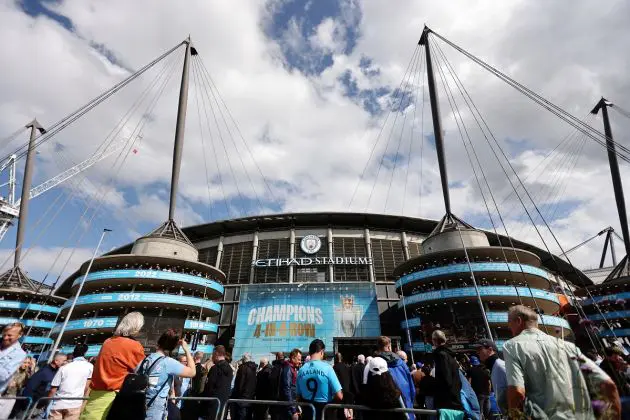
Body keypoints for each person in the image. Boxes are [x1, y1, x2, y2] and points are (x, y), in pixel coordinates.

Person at [503, 305, 621, 418]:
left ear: (518, 321)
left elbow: (517, 392)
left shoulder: (512, 346)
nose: (509, 328)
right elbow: (608, 385)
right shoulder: (569, 347)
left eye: (509, 323)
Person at [81, 311, 145, 420]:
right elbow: (142, 372)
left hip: (95, 395)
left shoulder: (107, 341)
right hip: (115, 398)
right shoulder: (135, 346)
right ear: (137, 327)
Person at [136, 330, 195, 420]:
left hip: (140, 403)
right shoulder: (168, 362)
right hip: (155, 407)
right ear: (173, 347)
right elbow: (192, 372)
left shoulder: (146, 359)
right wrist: (187, 350)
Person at [365, 336, 415, 417]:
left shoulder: (374, 364)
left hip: (384, 407)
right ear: (389, 346)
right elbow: (411, 386)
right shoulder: (401, 363)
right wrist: (410, 404)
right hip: (406, 403)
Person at [296, 340, 342, 420]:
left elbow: (298, 396)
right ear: (322, 352)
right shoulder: (327, 368)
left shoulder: (301, 370)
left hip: (308, 413)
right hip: (324, 413)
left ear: (310, 352)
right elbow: (339, 396)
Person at [47, 344, 93, 420]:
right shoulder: (89, 366)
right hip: (75, 403)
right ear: (85, 353)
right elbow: (86, 387)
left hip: (58, 403)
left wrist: (47, 404)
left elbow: (53, 389)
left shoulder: (64, 367)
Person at [17, 353, 67, 418]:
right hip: (31, 406)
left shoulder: (58, 372)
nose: (65, 363)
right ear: (56, 361)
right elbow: (30, 388)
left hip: (41, 407)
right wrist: (28, 404)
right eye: (64, 361)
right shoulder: (43, 372)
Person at [430, 330, 463, 411]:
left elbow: (446, 378)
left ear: (435, 340)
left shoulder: (440, 355)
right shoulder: (450, 354)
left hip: (447, 401)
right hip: (455, 396)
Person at [0, 322, 27, 418]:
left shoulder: (20, 354)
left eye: (9, 335)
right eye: (4, 334)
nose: (5, 338)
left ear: (19, 335)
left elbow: (4, 376)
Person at [474, 338, 507, 415]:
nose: (477, 352)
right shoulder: (493, 367)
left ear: (490, 349)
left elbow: (516, 389)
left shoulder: (500, 366)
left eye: (480, 349)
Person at [201, 345, 233, 420]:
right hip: (224, 402)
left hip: (213, 402)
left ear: (217, 354)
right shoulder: (229, 368)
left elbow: (210, 386)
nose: (212, 357)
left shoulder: (215, 368)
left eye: (213, 354)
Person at [230, 354, 257, 420]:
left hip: (242, 397)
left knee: (241, 416)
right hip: (250, 397)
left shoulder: (243, 368)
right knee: (248, 416)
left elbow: (240, 384)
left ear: (243, 360)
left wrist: (237, 394)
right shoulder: (253, 368)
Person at [181, 351, 207, 420]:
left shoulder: (192, 369)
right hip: (199, 396)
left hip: (191, 394)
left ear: (195, 357)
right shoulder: (203, 369)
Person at [281, 349, 302, 420]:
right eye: (299, 359)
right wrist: (293, 409)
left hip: (292, 404)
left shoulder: (292, 368)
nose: (300, 362)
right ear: (293, 358)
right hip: (289, 408)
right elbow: (287, 389)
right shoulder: (288, 369)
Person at [332, 353, 351, 420]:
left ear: (336, 358)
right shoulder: (346, 366)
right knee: (347, 407)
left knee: (339, 410)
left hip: (339, 391)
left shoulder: (335, 367)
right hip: (347, 389)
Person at [268, 352, 285, 420]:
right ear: (283, 357)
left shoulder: (275, 367)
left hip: (275, 397)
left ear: (277, 357)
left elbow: (271, 381)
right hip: (282, 397)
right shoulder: (286, 366)